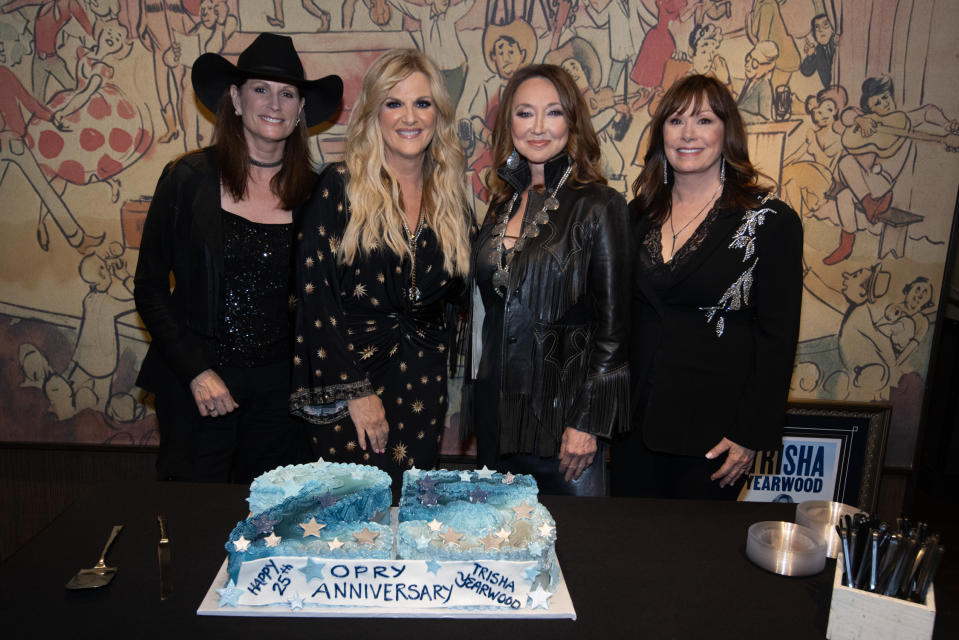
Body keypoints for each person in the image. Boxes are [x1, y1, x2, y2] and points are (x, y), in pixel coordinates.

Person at [134, 33, 343, 482]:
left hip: (280, 400)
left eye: (288, 93)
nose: (275, 103)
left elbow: (329, 299)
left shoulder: (318, 193)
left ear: (301, 108)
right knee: (195, 521)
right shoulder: (187, 179)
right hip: (201, 389)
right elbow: (149, 289)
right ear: (235, 97)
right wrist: (196, 371)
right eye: (261, 89)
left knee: (270, 524)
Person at [290, 49, 473, 499]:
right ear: (373, 112)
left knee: (407, 519)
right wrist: (357, 393)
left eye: (422, 103)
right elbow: (316, 301)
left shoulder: (451, 197)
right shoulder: (340, 186)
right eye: (394, 103)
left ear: (439, 115)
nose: (409, 117)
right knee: (349, 524)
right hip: (351, 384)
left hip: (423, 387)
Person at [613, 74, 802, 500]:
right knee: (627, 556)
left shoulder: (769, 222)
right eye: (676, 121)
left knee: (694, 560)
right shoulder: (635, 215)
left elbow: (778, 338)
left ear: (727, 133)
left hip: (714, 437)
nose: (688, 134)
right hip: (632, 429)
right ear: (661, 134)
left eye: (704, 120)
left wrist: (750, 433)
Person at [469, 64, 631, 496]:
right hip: (496, 414)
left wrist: (588, 423)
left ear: (572, 121)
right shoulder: (501, 203)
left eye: (553, 113)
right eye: (524, 114)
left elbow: (614, 330)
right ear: (509, 124)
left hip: (562, 425)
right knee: (500, 551)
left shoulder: (600, 205)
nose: (538, 127)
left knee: (575, 555)